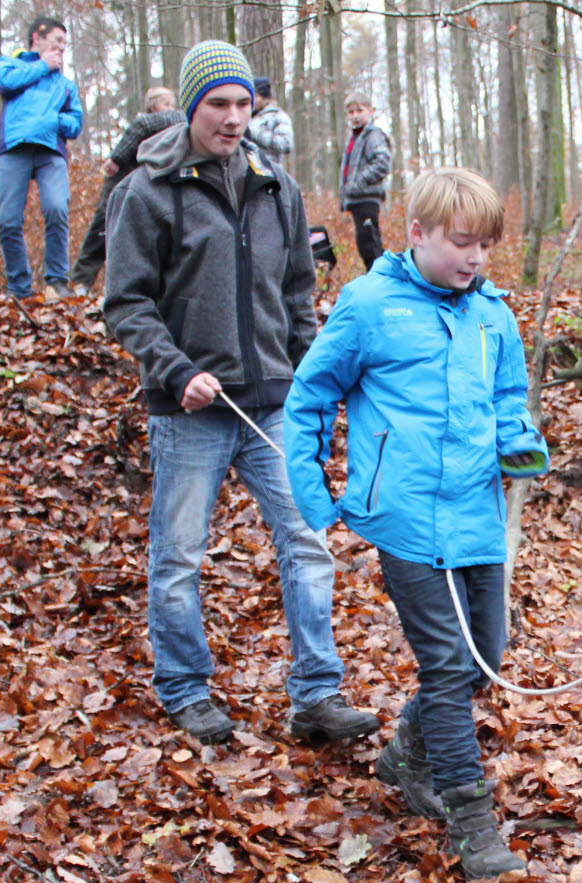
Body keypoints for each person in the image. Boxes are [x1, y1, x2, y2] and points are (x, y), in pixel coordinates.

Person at [103, 40, 377, 747]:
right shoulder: (147, 190)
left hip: (272, 403)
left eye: (242, 105)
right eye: (217, 104)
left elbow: (297, 294)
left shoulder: (275, 186)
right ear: (191, 107)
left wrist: (310, 376)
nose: (232, 118)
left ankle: (316, 694)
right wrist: (175, 370)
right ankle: (184, 689)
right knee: (179, 556)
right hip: (189, 408)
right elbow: (125, 303)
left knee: (307, 541)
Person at [283, 168, 549, 879]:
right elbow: (309, 396)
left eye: (486, 245)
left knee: (485, 657)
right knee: (447, 665)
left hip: (478, 515)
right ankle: (473, 825)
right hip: (404, 517)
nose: (475, 258)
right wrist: (314, 493)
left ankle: (407, 751)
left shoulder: (492, 313)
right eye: (462, 243)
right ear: (417, 234)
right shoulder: (370, 305)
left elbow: (507, 396)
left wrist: (518, 440)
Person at [0, 15, 83, 298]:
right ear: (37, 37)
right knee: (8, 219)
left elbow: (75, 124)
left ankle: (57, 281)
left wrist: (55, 120)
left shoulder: (65, 85)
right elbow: (3, 82)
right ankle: (19, 289)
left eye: (65, 43)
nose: (62, 47)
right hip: (13, 147)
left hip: (50, 151)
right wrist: (43, 65)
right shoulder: (10, 64)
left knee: (57, 209)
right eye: (57, 40)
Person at [70, 87, 184, 293]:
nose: (170, 109)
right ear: (152, 106)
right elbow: (142, 127)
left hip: (148, 193)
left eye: (172, 104)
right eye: (165, 104)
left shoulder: (169, 128)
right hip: (121, 185)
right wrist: (117, 158)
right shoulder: (148, 122)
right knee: (101, 232)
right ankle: (80, 284)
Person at [339, 94, 391, 271]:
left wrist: (358, 184)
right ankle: (376, 277)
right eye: (351, 112)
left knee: (370, 245)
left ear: (371, 111)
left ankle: (382, 278)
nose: (355, 115)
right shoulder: (354, 137)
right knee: (364, 244)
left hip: (367, 197)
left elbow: (382, 163)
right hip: (356, 200)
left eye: (359, 110)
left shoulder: (373, 135)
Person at [247, 77, 294, 160]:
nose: (252, 101)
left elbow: (286, 144)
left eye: (255, 96)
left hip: (269, 165)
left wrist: (256, 134)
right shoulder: (248, 116)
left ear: (264, 98)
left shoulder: (278, 116)